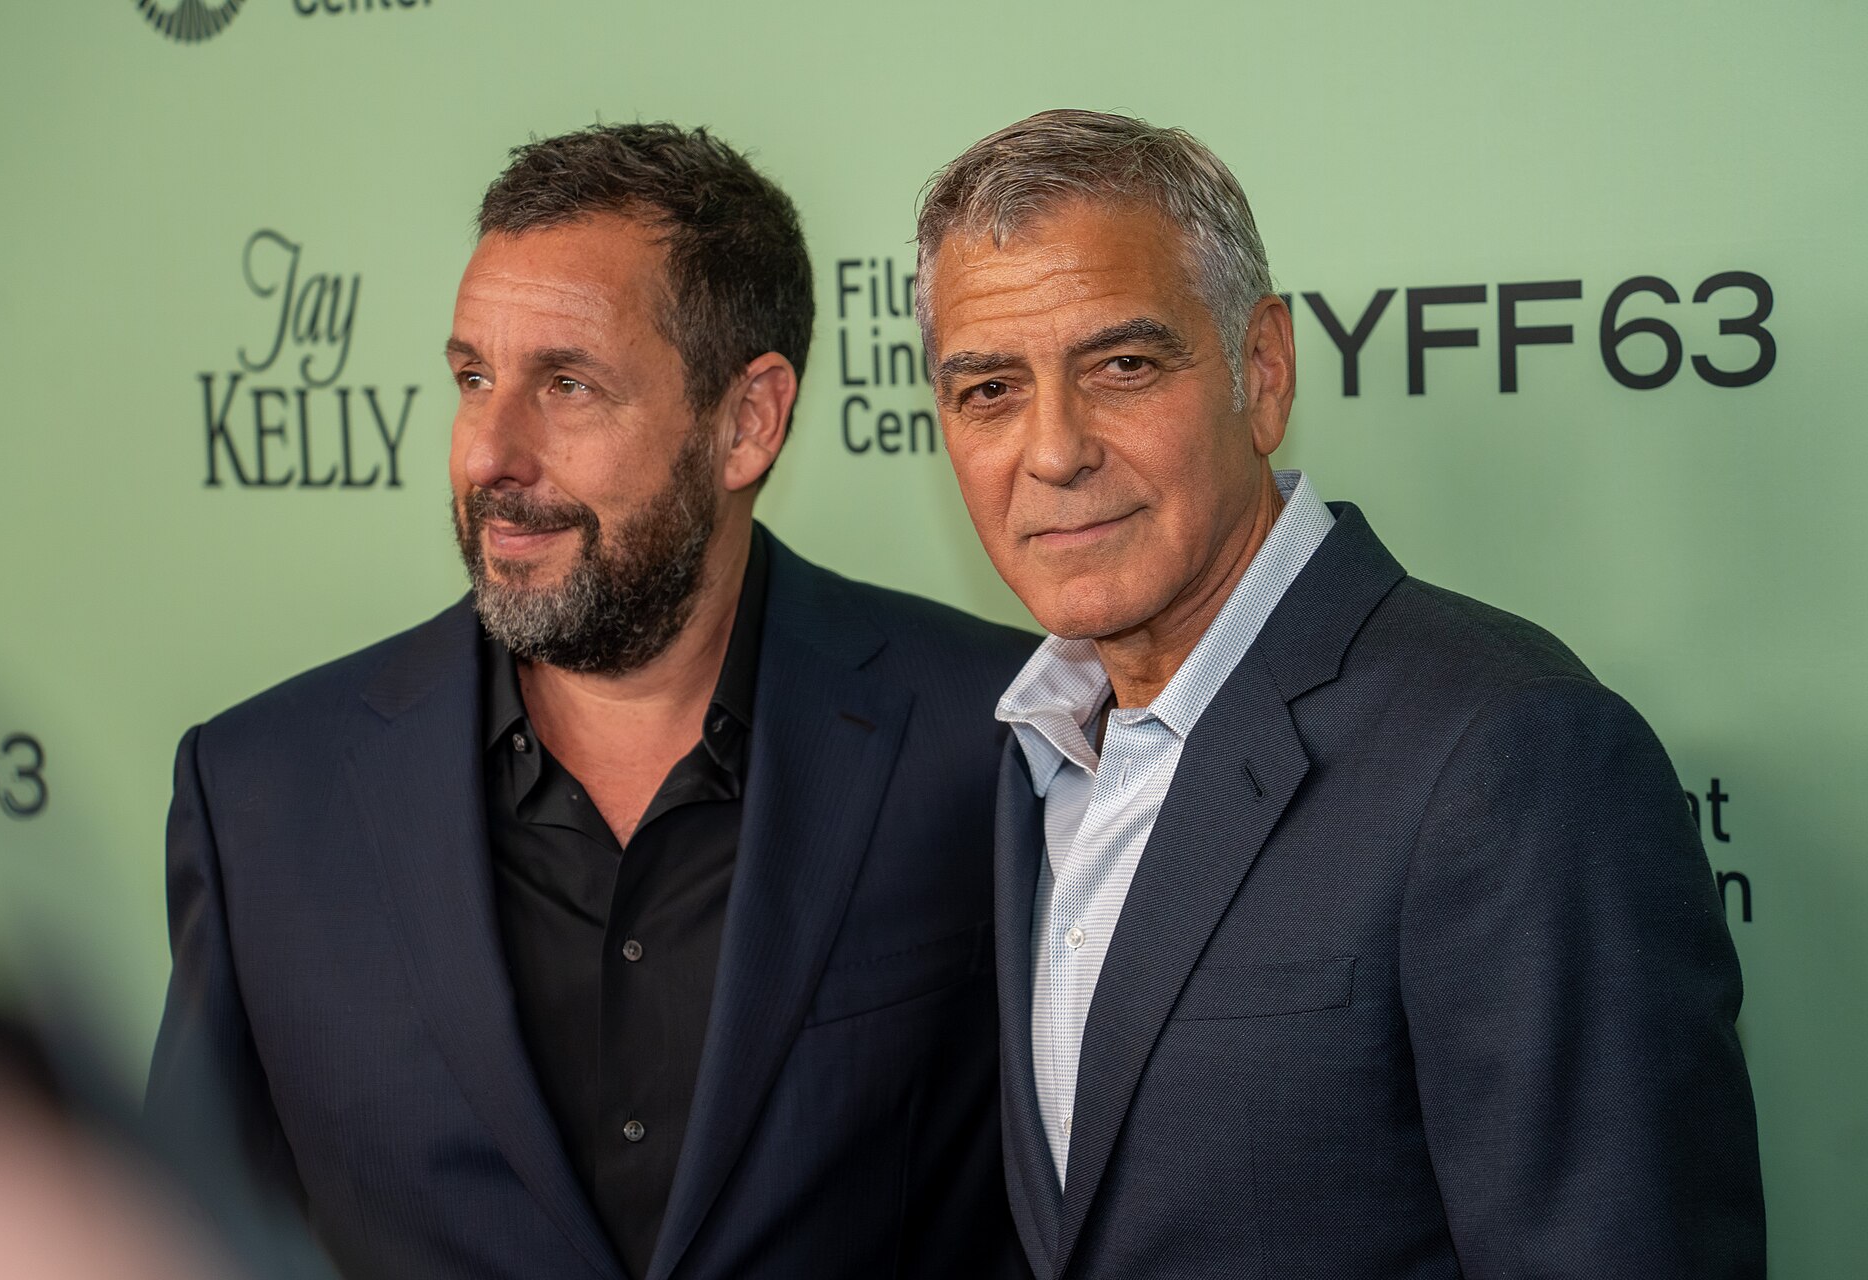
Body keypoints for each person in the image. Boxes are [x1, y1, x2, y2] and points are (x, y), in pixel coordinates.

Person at [149, 122, 1032, 1280]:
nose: (490, 454)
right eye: (474, 378)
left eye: (567, 384)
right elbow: (167, 1235)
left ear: (747, 420)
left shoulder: (999, 737)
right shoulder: (264, 796)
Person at [915, 109, 1765, 1278]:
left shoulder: (1513, 752)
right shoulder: (1039, 749)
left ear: (1263, 372)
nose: (1054, 450)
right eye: (989, 389)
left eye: (1123, 366)